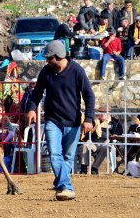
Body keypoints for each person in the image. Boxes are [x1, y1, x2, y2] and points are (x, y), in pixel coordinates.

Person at [27, 40, 95, 201]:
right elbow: (36, 93)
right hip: (52, 121)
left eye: (49, 58)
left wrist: (89, 119)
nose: (47, 61)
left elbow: (89, 95)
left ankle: (60, 183)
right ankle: (66, 187)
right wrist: (31, 108)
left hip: (73, 123)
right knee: (54, 154)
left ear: (58, 57)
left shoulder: (77, 71)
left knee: (67, 158)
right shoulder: (46, 72)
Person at [78, 107, 123, 175]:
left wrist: (111, 136)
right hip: (94, 143)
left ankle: (94, 168)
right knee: (85, 145)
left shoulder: (114, 122)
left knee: (105, 147)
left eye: (104, 113)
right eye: (100, 113)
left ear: (109, 114)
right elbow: (86, 136)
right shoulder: (94, 121)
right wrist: (95, 128)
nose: (101, 115)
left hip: (106, 143)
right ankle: (83, 169)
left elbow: (120, 132)